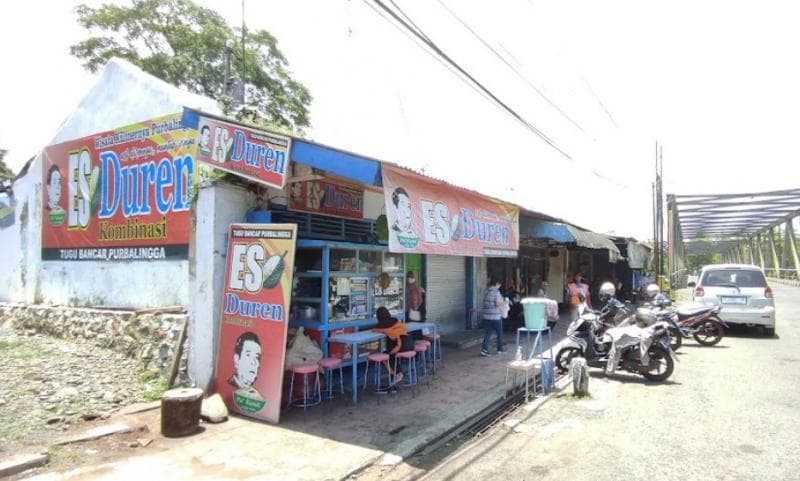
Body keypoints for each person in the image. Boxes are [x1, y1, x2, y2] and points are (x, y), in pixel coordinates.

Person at [372, 306, 413, 386]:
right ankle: (398, 374)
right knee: (391, 353)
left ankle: (396, 374)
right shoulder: (395, 320)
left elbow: (374, 330)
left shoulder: (381, 325)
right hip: (410, 342)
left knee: (386, 355)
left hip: (401, 345)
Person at [481, 277, 507, 356]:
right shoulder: (496, 292)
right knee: (499, 333)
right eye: (499, 284)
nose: (499, 286)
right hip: (495, 317)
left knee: (487, 334)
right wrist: (505, 302)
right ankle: (500, 349)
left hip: (486, 316)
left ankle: (484, 350)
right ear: (496, 284)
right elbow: (497, 304)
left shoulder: (486, 291)